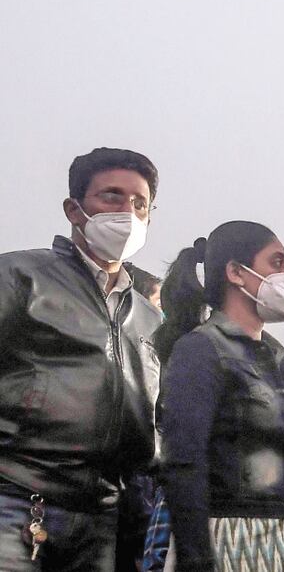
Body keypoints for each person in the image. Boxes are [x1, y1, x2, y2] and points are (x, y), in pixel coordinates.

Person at [156, 221, 284, 571]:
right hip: (235, 538)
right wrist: (196, 555)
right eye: (277, 263)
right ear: (236, 272)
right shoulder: (201, 350)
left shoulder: (280, 361)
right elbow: (184, 461)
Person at [0, 147, 162, 571]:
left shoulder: (148, 317)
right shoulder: (18, 277)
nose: (127, 210)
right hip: (16, 499)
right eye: (111, 196)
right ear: (74, 210)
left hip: (103, 517)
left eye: (139, 203)